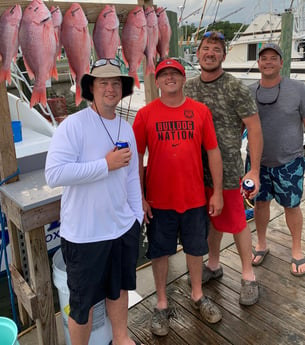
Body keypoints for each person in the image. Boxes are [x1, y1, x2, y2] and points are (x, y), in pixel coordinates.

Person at [45, 59, 144, 345]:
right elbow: (54, 174)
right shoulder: (73, 126)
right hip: (84, 236)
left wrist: (135, 218)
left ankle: (121, 337)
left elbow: (131, 179)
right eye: (103, 83)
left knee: (120, 290)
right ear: (91, 88)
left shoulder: (126, 128)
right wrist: (105, 164)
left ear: (122, 89)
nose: (110, 88)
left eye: (116, 83)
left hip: (123, 229)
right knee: (82, 304)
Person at [133, 58, 224, 336]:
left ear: (184, 79)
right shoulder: (145, 114)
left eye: (175, 74)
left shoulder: (200, 111)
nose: (170, 78)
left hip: (195, 198)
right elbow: (136, 157)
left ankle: (197, 294)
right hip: (159, 201)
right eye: (164, 75)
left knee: (197, 248)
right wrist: (141, 196)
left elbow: (213, 151)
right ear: (157, 81)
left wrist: (217, 192)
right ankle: (161, 303)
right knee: (160, 252)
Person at [184, 31, 263, 305]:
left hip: (228, 171)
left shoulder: (235, 87)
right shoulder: (188, 87)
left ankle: (248, 275)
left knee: (238, 222)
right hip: (196, 172)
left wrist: (254, 171)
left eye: (216, 49)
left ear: (224, 56)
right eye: (206, 48)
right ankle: (214, 265)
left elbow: (253, 128)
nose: (210, 53)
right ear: (198, 53)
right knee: (212, 220)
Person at [248, 43, 305, 276]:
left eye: (274, 58)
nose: (268, 62)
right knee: (260, 204)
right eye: (264, 58)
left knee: (291, 206)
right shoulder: (249, 91)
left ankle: (297, 248)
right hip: (257, 163)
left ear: (282, 63)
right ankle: (261, 243)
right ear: (259, 63)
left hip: (290, 160)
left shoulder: (299, 88)